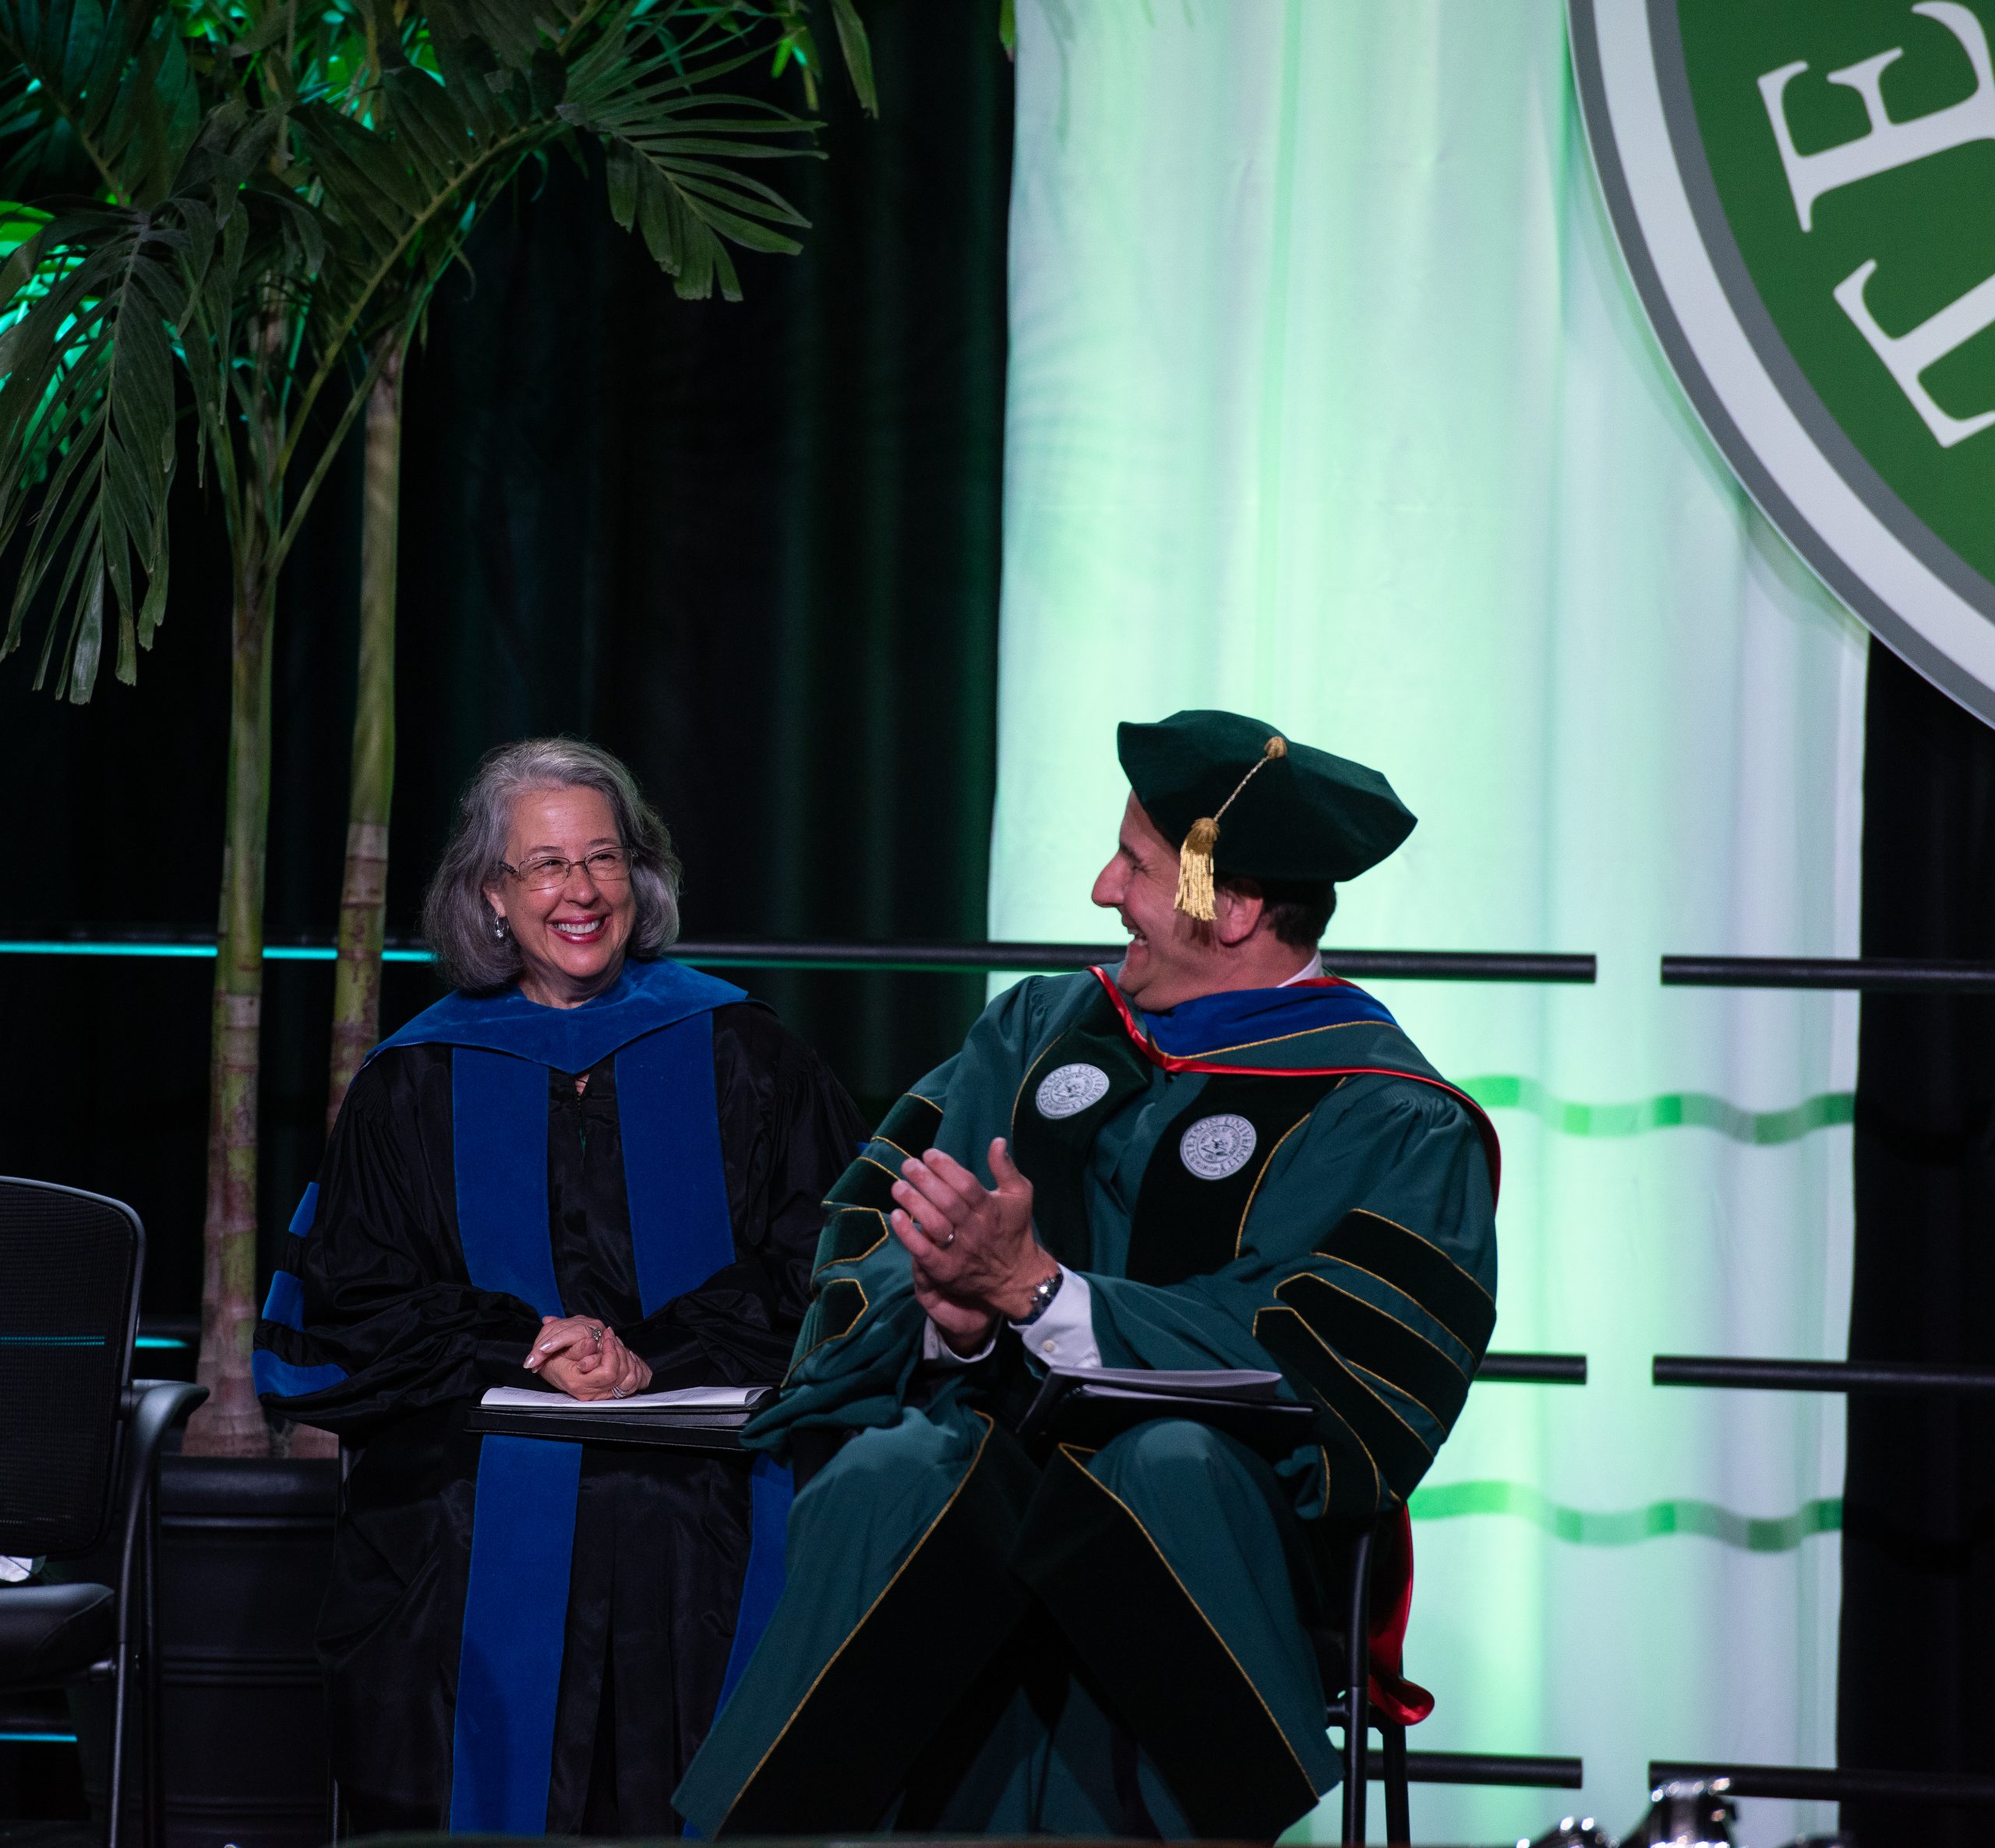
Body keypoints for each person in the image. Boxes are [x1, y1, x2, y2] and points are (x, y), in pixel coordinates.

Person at [674, 709, 1500, 1841]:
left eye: (1142, 866)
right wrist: (956, 1320)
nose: (1106, 890)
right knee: (902, 1466)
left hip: (1207, 1545)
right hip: (971, 1488)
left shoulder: (1390, 1119)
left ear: (1237, 906)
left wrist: (1046, 1297)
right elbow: (873, 1242)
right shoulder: (1037, 1033)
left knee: (1158, 1468)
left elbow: (1340, 1394)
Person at [252, 738, 866, 1836]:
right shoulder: (415, 1081)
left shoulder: (746, 1054)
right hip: (477, 1488)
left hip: (709, 1483)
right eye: (543, 866)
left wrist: (655, 1358)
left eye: (602, 858)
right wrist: (526, 1341)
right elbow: (349, 1308)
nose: (579, 891)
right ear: (490, 894)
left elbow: (828, 1266)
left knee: (667, 1519)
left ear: (640, 874)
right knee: (457, 1546)